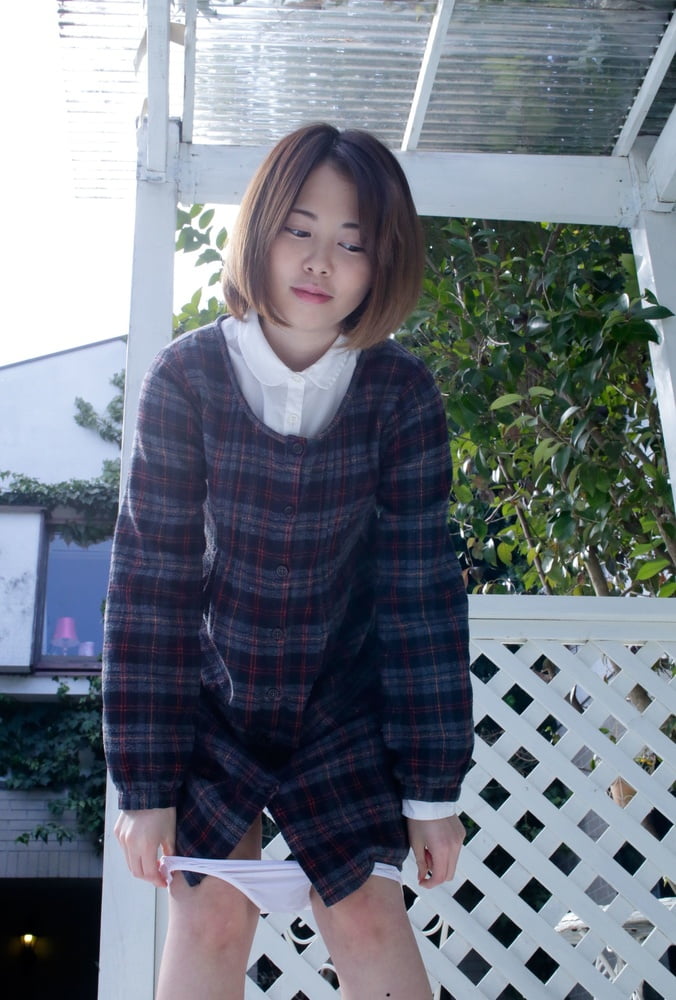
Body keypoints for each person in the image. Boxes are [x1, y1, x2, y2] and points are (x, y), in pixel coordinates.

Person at [103, 122, 474, 1000]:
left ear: (383, 263)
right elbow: (151, 584)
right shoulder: (185, 378)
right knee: (210, 917)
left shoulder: (402, 395)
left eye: (352, 242)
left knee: (370, 917)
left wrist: (433, 794)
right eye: (298, 230)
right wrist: (144, 786)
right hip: (216, 706)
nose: (319, 261)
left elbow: (420, 595)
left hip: (342, 705)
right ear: (259, 232)